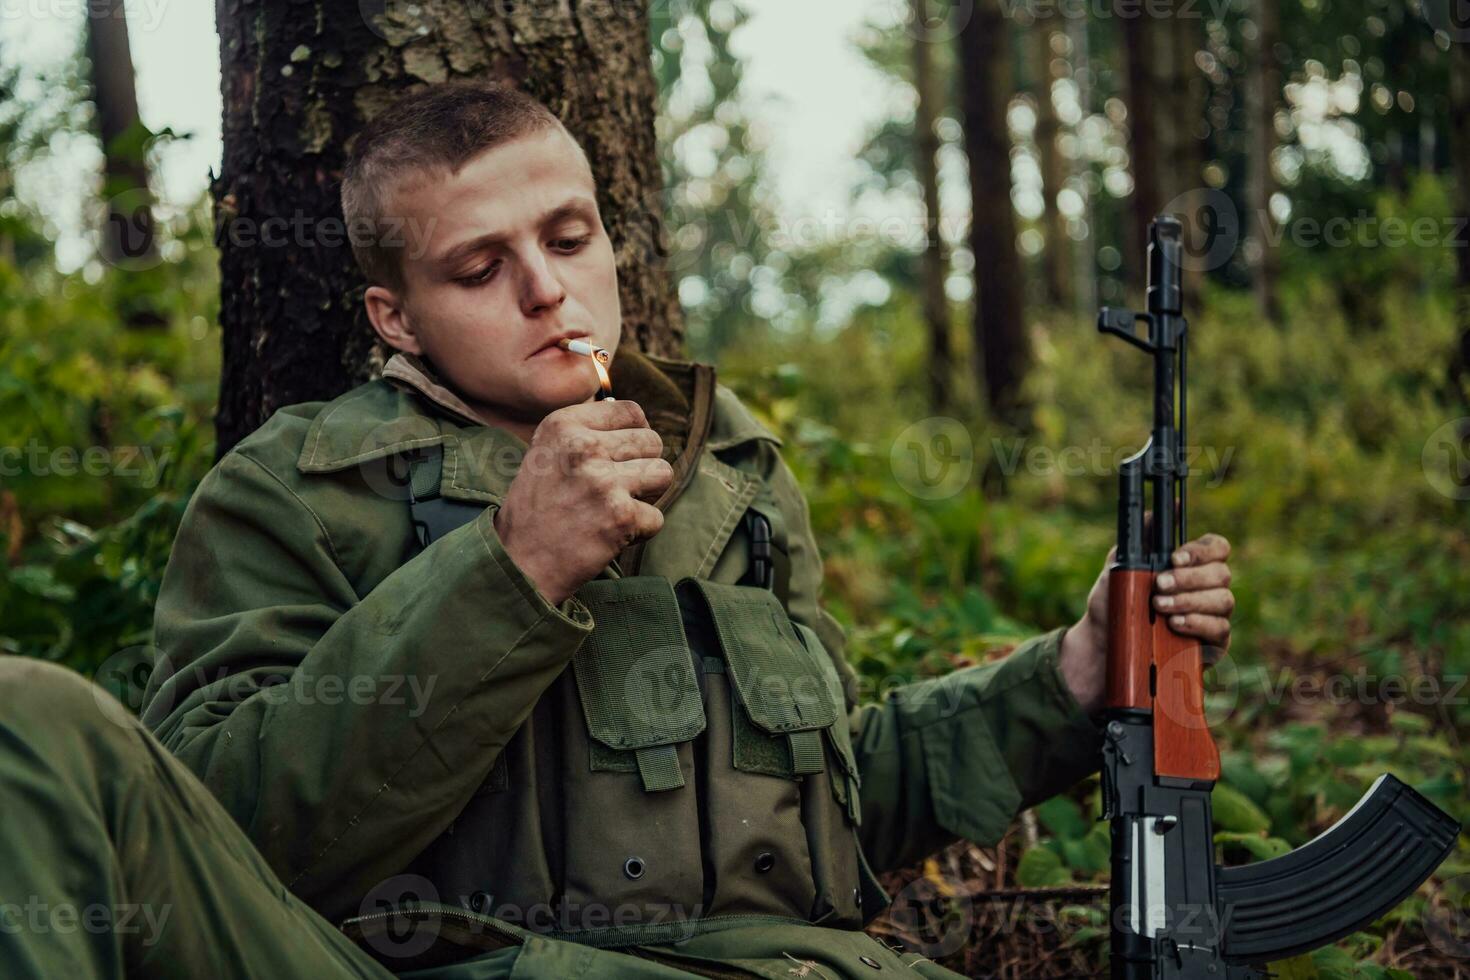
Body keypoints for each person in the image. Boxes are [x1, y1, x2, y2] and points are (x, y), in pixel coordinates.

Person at [0, 81, 1235, 979]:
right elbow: (231, 833)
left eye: (569, 239)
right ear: (398, 317)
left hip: (790, 968)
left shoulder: (734, 467)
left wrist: (1069, 679)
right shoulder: (299, 489)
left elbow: (834, 811)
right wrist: (510, 570)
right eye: (479, 269)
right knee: (28, 716)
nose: (546, 288)